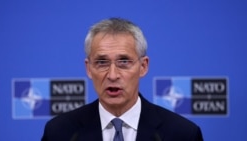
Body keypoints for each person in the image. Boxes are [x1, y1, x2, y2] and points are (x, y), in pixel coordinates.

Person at [41, 17, 203, 141]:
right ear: (89, 68)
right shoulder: (59, 132)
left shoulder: (182, 134)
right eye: (102, 62)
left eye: (124, 62)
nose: (112, 75)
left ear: (143, 66)